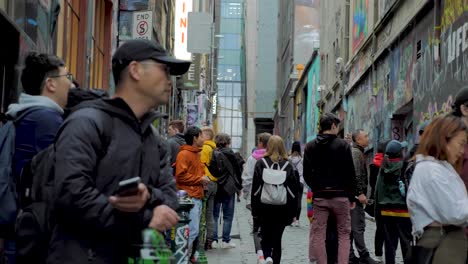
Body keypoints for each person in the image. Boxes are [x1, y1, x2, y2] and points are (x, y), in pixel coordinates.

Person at [48, 39, 187, 263]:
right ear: (135, 70)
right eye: (164, 69)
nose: (169, 80)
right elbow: (71, 195)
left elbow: (171, 198)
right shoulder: (87, 123)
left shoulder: (154, 140)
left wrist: (148, 195)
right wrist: (145, 217)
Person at [2, 53, 71, 264]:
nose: (70, 83)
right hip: (34, 235)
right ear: (50, 84)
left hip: (22, 229)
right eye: (67, 76)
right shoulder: (46, 120)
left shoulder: (24, 113)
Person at [407, 114, 468, 263]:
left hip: (446, 240)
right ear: (445, 140)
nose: (462, 150)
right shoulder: (431, 170)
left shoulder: (437, 168)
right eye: (460, 143)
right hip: (443, 242)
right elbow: (455, 213)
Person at [304, 113, 357, 264]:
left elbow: (307, 174)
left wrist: (317, 187)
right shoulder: (343, 145)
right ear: (333, 126)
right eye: (337, 126)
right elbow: (350, 173)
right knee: (344, 233)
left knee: (319, 233)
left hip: (320, 197)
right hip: (341, 197)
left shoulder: (310, 146)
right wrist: (351, 196)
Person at [251, 135, 299, 264]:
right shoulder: (288, 166)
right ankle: (275, 260)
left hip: (264, 206)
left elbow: (256, 188)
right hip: (282, 208)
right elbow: (294, 192)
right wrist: (294, 212)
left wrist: (254, 210)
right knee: (277, 238)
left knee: (265, 235)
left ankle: (267, 257)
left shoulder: (261, 163)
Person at [175, 126, 211, 260]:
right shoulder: (184, 154)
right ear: (195, 138)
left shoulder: (197, 153)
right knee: (192, 230)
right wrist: (200, 179)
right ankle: (181, 257)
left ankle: (185, 256)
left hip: (196, 195)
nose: (203, 139)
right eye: (201, 136)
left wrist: (203, 179)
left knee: (193, 230)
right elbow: (181, 176)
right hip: (189, 197)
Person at [375, 140, 412, 264]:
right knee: (406, 242)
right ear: (399, 153)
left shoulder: (383, 167)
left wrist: (377, 213)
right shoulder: (405, 166)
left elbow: (378, 190)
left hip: (386, 212)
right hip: (403, 211)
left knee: (389, 244)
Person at [241, 132, 271, 262]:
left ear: (260, 143)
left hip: (256, 196)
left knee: (257, 227)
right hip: (271, 197)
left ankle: (260, 255)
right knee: (269, 226)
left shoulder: (253, 158)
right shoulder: (273, 157)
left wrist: (246, 194)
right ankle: (269, 253)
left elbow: (247, 178)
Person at [211, 133, 242, 249]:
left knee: (214, 215)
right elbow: (237, 171)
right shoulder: (231, 154)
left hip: (216, 186)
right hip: (229, 188)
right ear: (227, 142)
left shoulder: (213, 153)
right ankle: (225, 240)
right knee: (228, 216)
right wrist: (239, 187)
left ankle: (213, 240)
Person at [350, 129, 376, 264]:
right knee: (358, 226)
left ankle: (350, 256)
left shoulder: (358, 152)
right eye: (365, 136)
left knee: (352, 227)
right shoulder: (356, 153)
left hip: (353, 197)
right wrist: (360, 193)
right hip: (355, 198)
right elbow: (356, 174)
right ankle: (363, 255)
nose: (368, 138)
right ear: (358, 140)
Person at [368, 140, 389, 263]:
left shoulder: (373, 165)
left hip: (377, 201)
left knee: (379, 228)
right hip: (388, 200)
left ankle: (378, 254)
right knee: (390, 229)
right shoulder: (388, 164)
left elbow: (371, 183)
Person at [199, 127, 217, 250]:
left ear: (206, 136)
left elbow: (200, 164)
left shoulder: (205, 148)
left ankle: (200, 239)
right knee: (210, 213)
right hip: (214, 183)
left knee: (202, 213)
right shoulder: (214, 148)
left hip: (206, 182)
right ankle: (210, 239)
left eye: (201, 135)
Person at [289, 141, 304, 227]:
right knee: (299, 201)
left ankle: (292, 219)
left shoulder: (289, 159)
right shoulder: (302, 160)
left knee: (291, 200)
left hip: (291, 183)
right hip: (300, 182)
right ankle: (297, 220)